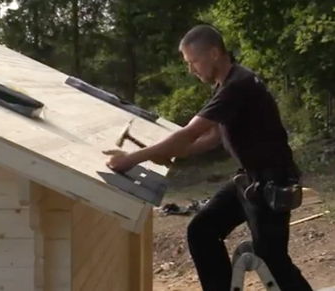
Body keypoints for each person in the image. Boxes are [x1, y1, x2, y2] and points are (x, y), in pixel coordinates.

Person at [103, 24, 313, 291]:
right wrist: (174, 154)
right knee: (201, 231)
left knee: (273, 260)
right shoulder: (228, 83)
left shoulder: (237, 86)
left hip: (272, 185)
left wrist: (132, 158)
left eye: (194, 62)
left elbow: (190, 132)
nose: (191, 70)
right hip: (249, 182)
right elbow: (212, 137)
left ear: (214, 53)